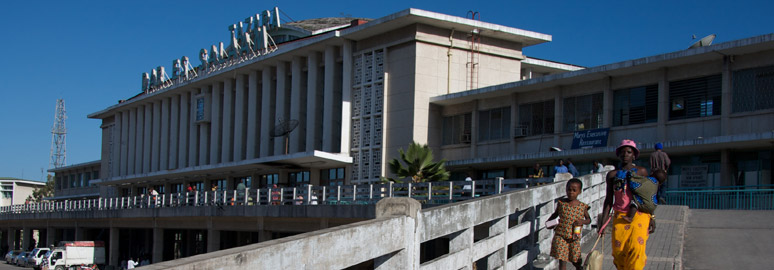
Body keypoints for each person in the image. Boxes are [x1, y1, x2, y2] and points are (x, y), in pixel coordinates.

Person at [599, 139, 656, 270]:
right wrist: (603, 222)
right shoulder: (612, 175)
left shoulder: (641, 172)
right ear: (618, 155)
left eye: (629, 152)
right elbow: (609, 200)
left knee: (636, 249)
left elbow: (647, 197)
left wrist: (652, 218)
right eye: (623, 152)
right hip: (620, 216)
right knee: (619, 252)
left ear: (634, 155)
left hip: (640, 215)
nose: (626, 154)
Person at [546, 178, 591, 270]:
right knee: (562, 260)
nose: (571, 192)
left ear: (579, 192)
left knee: (576, 260)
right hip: (560, 235)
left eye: (574, 190)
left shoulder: (582, 206)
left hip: (574, 237)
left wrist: (582, 222)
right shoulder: (561, 203)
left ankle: (579, 267)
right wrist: (549, 222)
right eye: (569, 190)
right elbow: (555, 214)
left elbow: (589, 220)